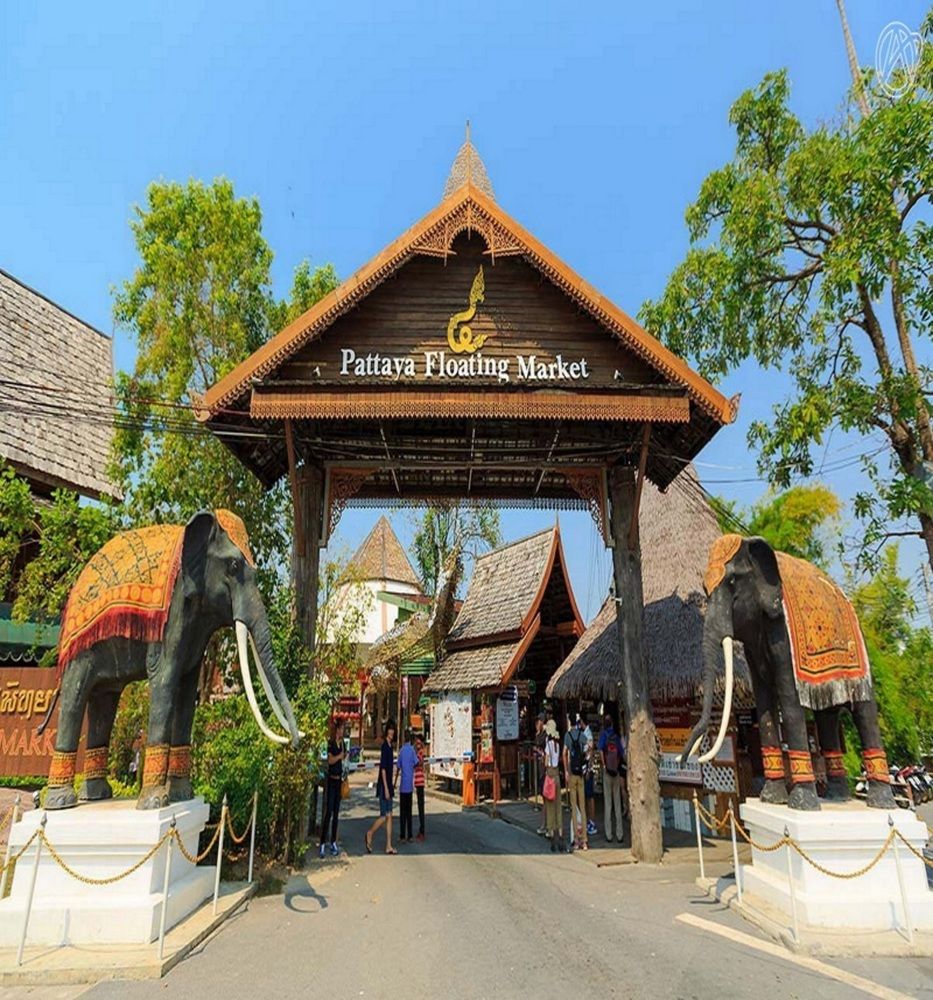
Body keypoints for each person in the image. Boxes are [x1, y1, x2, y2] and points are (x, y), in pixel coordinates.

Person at [366, 719, 397, 855]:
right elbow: (383, 769)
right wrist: (386, 787)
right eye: (390, 729)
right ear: (387, 731)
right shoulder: (385, 746)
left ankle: (388, 845)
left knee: (390, 815)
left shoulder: (390, 746)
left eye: (393, 729)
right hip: (384, 785)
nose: (392, 732)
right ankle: (370, 833)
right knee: (384, 816)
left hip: (389, 784)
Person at [319, 719, 347, 858]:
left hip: (339, 780)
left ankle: (333, 841)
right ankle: (322, 842)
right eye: (341, 729)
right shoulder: (331, 743)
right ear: (337, 730)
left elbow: (344, 758)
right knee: (328, 812)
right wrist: (339, 756)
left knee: (336, 813)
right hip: (331, 780)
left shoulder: (342, 744)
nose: (342, 732)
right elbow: (330, 760)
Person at [599, 714, 626, 843]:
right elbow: (622, 753)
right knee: (617, 803)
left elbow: (600, 750)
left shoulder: (603, 736)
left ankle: (609, 834)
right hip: (616, 772)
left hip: (607, 772)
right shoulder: (616, 737)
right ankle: (619, 834)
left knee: (608, 803)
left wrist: (604, 765)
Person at [564, 714, 588, 850]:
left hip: (572, 773)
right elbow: (590, 745)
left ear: (569, 722)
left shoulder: (567, 736)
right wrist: (586, 759)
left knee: (574, 807)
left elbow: (564, 753)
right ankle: (585, 840)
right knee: (582, 807)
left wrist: (566, 770)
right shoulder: (581, 735)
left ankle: (577, 840)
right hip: (580, 775)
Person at [543, 719, 564, 852]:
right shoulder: (557, 745)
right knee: (558, 805)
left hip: (550, 775)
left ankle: (551, 833)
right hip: (557, 776)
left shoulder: (548, 745)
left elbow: (546, 762)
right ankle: (560, 831)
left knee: (550, 805)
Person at [396, 728, 418, 843]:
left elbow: (398, 768)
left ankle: (402, 835)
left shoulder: (401, 751)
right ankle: (410, 835)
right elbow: (416, 763)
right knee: (409, 812)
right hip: (409, 785)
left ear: (404, 738)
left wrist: (394, 782)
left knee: (402, 813)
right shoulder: (412, 751)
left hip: (403, 786)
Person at [583, 715, 598, 837]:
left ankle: (592, 821)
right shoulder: (585, 733)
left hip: (587, 769)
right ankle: (588, 820)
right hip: (585, 769)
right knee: (587, 796)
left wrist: (589, 769)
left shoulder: (588, 735)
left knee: (590, 796)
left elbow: (590, 752)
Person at [534, 710, 548, 834]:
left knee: (546, 796)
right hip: (540, 766)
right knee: (544, 796)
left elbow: (545, 753)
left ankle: (545, 824)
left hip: (544, 767)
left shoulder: (546, 735)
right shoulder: (539, 734)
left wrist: (538, 751)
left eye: (539, 721)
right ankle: (545, 824)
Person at [414, 732, 427, 840]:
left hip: (420, 782)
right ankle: (421, 829)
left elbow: (418, 762)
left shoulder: (421, 752)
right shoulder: (417, 752)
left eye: (418, 743)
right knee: (419, 806)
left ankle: (422, 830)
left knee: (421, 807)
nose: (417, 744)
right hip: (417, 782)